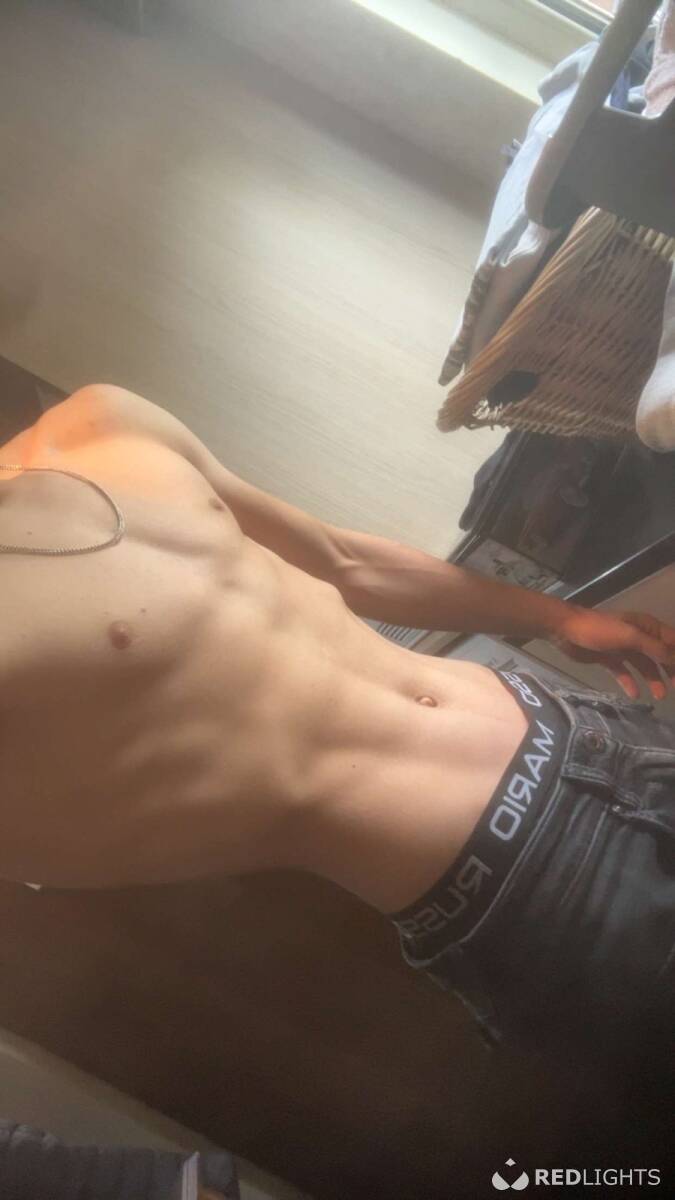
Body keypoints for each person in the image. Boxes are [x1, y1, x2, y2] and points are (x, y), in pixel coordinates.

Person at [1, 384, 674, 1061]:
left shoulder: (100, 420)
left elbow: (341, 560)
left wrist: (558, 618)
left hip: (592, 729)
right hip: (530, 874)